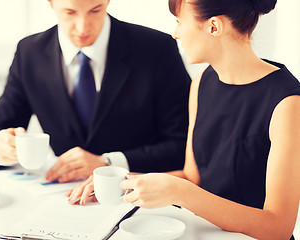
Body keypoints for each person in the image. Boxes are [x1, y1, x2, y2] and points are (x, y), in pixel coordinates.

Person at [69, 0, 300, 239]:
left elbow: (278, 227)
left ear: (213, 27)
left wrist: (184, 193)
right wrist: (122, 181)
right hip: (204, 233)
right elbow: (192, 177)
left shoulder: (287, 101)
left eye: (180, 22)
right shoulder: (201, 83)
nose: (175, 33)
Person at [0, 0, 191, 183]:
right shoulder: (29, 53)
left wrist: (107, 163)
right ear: (51, 3)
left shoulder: (156, 48)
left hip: (141, 196)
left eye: (95, 10)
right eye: (70, 12)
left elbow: (184, 143)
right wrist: (0, 146)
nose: (82, 28)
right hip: (63, 196)